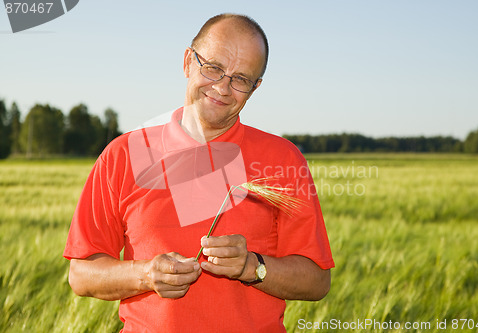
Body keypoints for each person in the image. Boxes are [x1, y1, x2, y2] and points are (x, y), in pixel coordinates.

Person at [64, 13, 334, 332]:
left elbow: (317, 281)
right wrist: (147, 274)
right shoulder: (122, 156)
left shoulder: (283, 159)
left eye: (241, 79)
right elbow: (81, 275)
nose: (222, 87)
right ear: (188, 62)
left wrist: (252, 267)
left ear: (255, 87)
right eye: (214, 68)